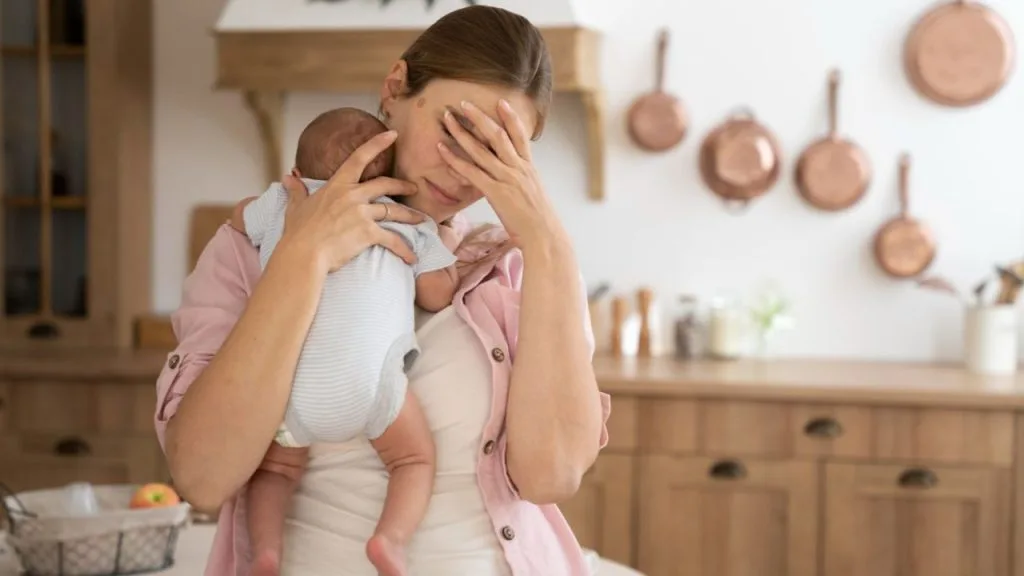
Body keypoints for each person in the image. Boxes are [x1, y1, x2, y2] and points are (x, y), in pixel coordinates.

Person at [154, 5, 611, 575]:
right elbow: (203, 477)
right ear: (395, 88)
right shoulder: (252, 251)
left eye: (496, 151)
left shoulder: (518, 268)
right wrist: (302, 258)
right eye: (456, 129)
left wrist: (548, 242)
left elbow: (551, 476)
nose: (464, 171)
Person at [230, 106, 462, 576]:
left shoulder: (285, 203)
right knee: (413, 460)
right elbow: (438, 296)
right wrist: (442, 245)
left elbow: (237, 219)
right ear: (391, 179)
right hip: (371, 385)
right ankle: (390, 541)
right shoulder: (407, 219)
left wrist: (278, 197)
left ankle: (266, 551)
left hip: (289, 385)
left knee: (274, 471)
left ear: (298, 174)